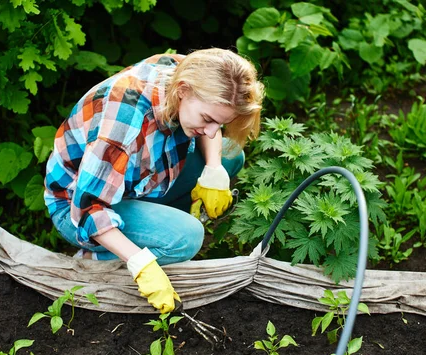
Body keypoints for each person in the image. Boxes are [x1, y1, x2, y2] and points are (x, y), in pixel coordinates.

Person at [44, 48, 265, 314]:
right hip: (77, 206)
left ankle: (158, 228)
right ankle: (98, 259)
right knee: (187, 238)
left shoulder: (189, 73)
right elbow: (88, 208)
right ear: (183, 90)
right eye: (206, 119)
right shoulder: (123, 123)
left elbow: (212, 129)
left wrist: (214, 168)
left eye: (218, 124)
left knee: (230, 156)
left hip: (136, 180)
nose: (210, 131)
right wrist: (140, 263)